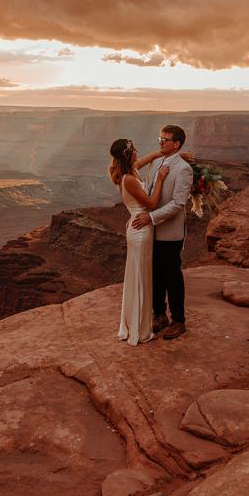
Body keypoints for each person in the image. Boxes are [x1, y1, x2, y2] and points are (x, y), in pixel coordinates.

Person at [130, 125, 193, 340]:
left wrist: (151, 217)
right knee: (155, 274)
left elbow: (178, 204)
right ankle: (159, 315)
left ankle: (178, 320)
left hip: (170, 232)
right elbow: (149, 191)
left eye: (165, 140)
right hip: (151, 231)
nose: (161, 142)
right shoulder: (157, 162)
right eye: (160, 138)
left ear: (176, 144)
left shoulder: (183, 169)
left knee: (172, 276)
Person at [108, 138, 169, 346]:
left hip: (138, 227)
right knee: (141, 277)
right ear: (128, 155)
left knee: (139, 275)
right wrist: (160, 178)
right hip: (141, 230)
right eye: (134, 149)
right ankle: (140, 330)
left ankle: (136, 324)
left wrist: (172, 154)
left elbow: (151, 157)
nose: (137, 151)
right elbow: (151, 203)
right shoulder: (129, 180)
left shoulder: (131, 170)